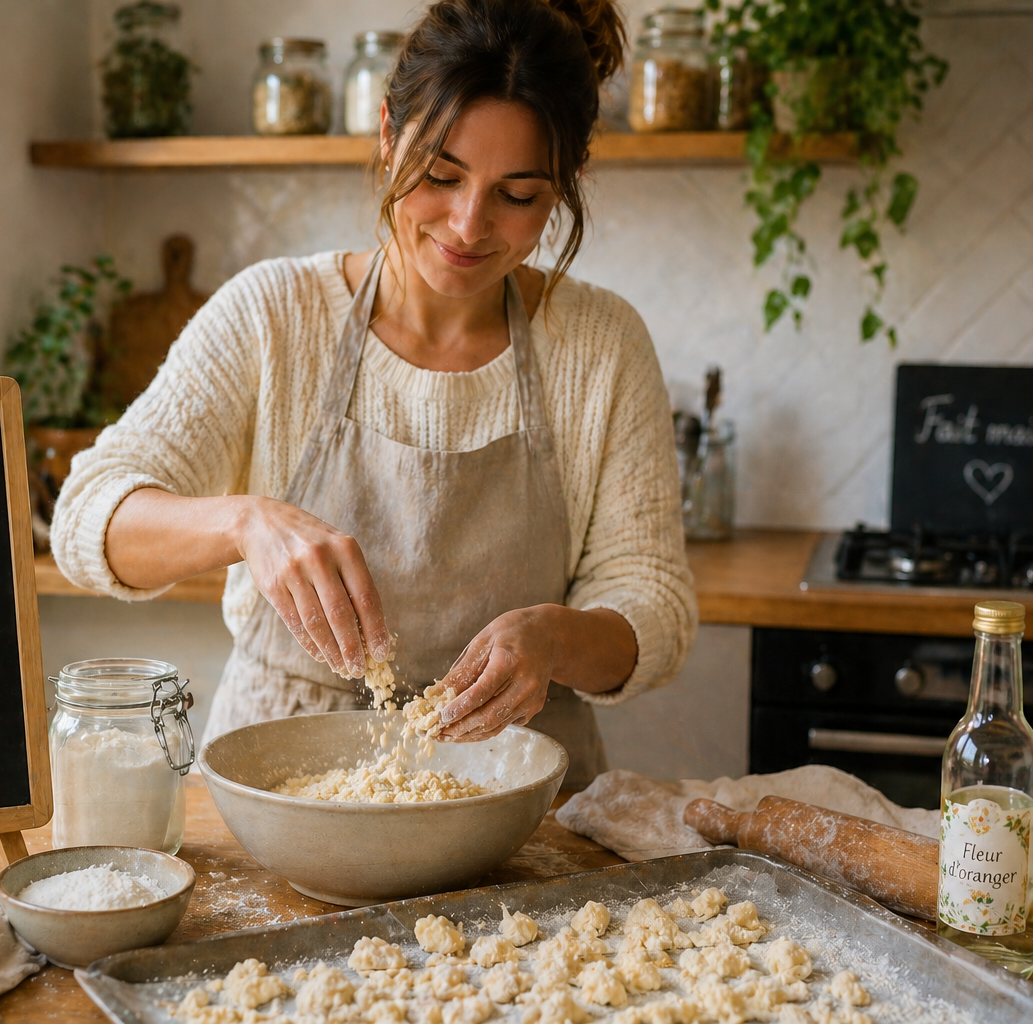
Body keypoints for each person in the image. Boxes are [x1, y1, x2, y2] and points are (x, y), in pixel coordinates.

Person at [51, 0, 697, 789]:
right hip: (280, 784)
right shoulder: (273, 314)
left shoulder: (601, 343)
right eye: (441, 174)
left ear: (566, 185)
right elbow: (87, 517)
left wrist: (554, 640)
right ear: (388, 137)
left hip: (520, 794)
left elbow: (654, 606)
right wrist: (244, 522)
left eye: (517, 194)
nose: (467, 224)